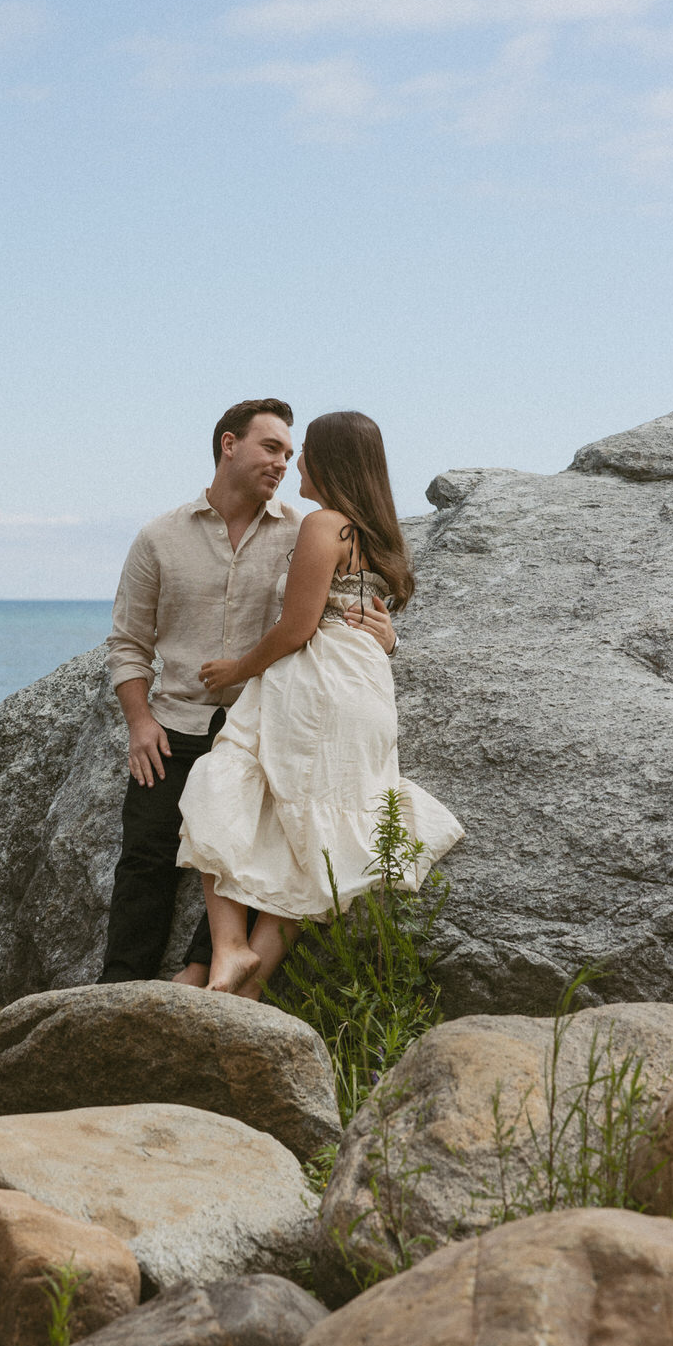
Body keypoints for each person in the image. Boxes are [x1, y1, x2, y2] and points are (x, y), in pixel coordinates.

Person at [99, 399, 397, 986]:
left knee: (257, 848)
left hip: (268, 719)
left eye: (290, 453)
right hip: (176, 721)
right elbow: (128, 643)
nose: (284, 463)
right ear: (228, 445)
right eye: (272, 448)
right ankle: (118, 993)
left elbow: (331, 611)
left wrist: (386, 636)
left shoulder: (306, 525)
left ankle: (206, 971)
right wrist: (139, 721)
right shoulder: (159, 537)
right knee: (145, 860)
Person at [176, 410, 464, 996]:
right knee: (308, 834)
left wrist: (237, 669)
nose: (295, 461)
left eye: (304, 450)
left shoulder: (323, 523)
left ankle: (229, 947)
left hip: (317, 682)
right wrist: (391, 638)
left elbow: (298, 626)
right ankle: (251, 980)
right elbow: (369, 619)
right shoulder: (377, 534)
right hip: (365, 688)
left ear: (329, 461)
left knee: (220, 776)